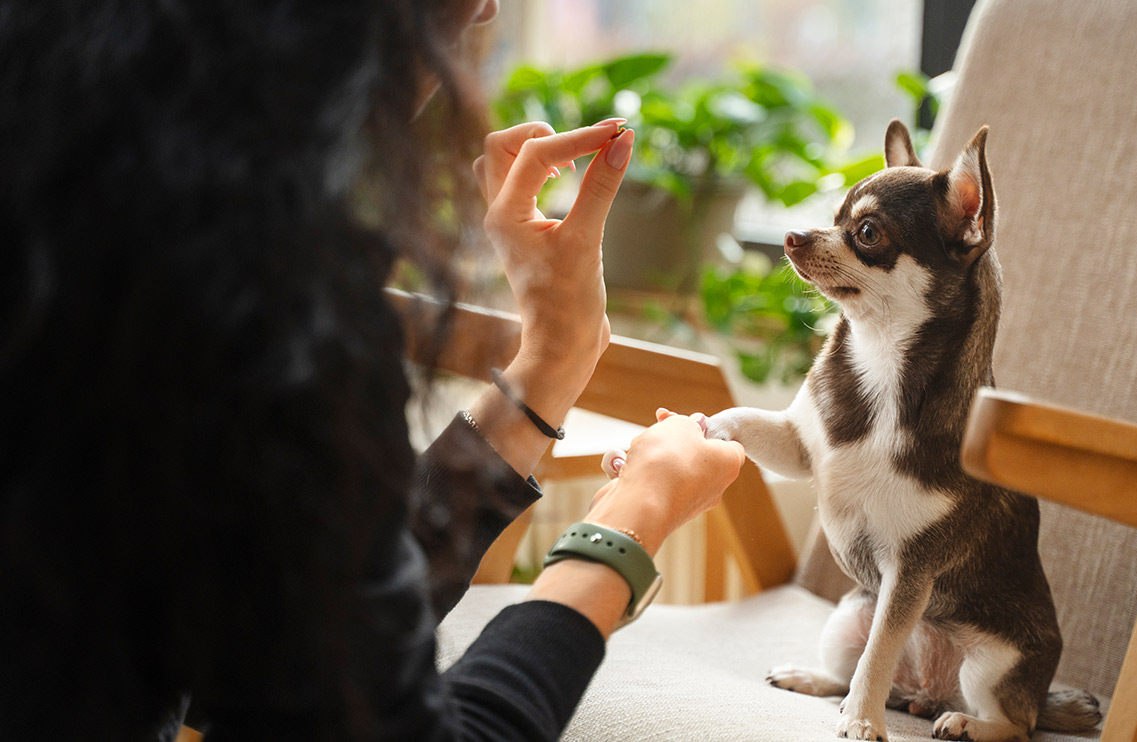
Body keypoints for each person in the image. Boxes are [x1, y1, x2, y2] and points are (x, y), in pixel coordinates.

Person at [0, 0, 747, 740]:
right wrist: (630, 518)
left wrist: (551, 363)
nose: (487, 8)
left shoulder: (96, 213)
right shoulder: (243, 294)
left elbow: (297, 644)